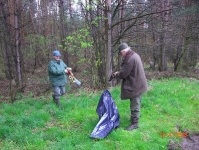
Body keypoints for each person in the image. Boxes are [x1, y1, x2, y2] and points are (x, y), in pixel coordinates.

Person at [113, 43, 148, 131]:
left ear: (124, 51)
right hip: (139, 82)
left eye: (121, 54)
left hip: (135, 84)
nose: (122, 56)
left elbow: (124, 74)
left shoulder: (129, 59)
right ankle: (135, 118)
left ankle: (134, 123)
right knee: (137, 102)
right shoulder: (135, 55)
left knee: (135, 104)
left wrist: (117, 74)